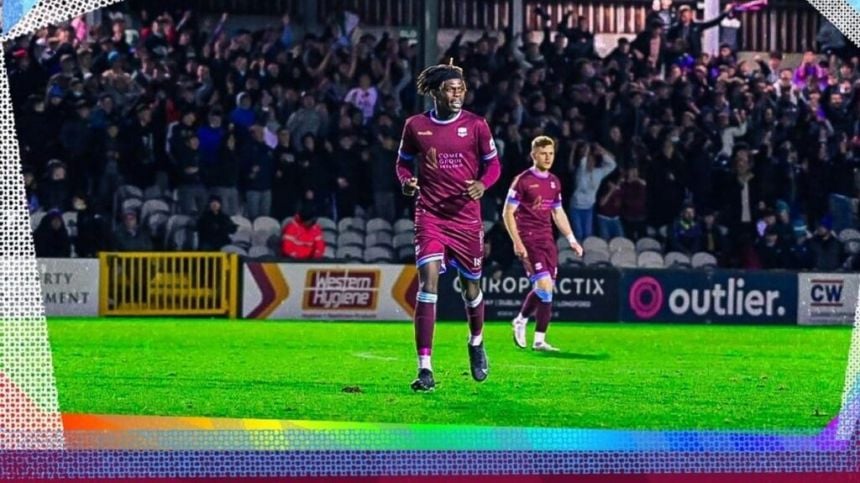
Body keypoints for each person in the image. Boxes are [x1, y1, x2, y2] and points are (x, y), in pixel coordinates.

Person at [396, 61, 501, 392]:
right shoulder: (415, 126)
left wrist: (483, 185)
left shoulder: (477, 125)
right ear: (436, 93)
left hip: (466, 218)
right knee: (427, 285)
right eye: (452, 88)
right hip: (429, 215)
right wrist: (407, 182)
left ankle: (476, 342)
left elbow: (493, 165)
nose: (458, 93)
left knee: (471, 289)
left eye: (462, 88)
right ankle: (424, 368)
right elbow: (402, 163)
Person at [503, 136, 583, 352]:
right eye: (543, 153)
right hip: (529, 239)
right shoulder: (522, 180)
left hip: (548, 240)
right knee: (544, 285)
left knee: (547, 291)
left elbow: (558, 212)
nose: (548, 157)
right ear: (533, 155)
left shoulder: (554, 182)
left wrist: (572, 240)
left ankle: (538, 339)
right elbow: (508, 212)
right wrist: (516, 241)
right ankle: (521, 321)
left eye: (551, 153)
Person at [569, 142, 617, 240]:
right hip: (576, 207)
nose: (590, 163)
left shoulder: (598, 173)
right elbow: (583, 162)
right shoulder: (580, 172)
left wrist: (601, 151)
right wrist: (587, 150)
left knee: (588, 234)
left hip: (589, 208)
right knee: (578, 234)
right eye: (588, 161)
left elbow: (612, 165)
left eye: (592, 161)